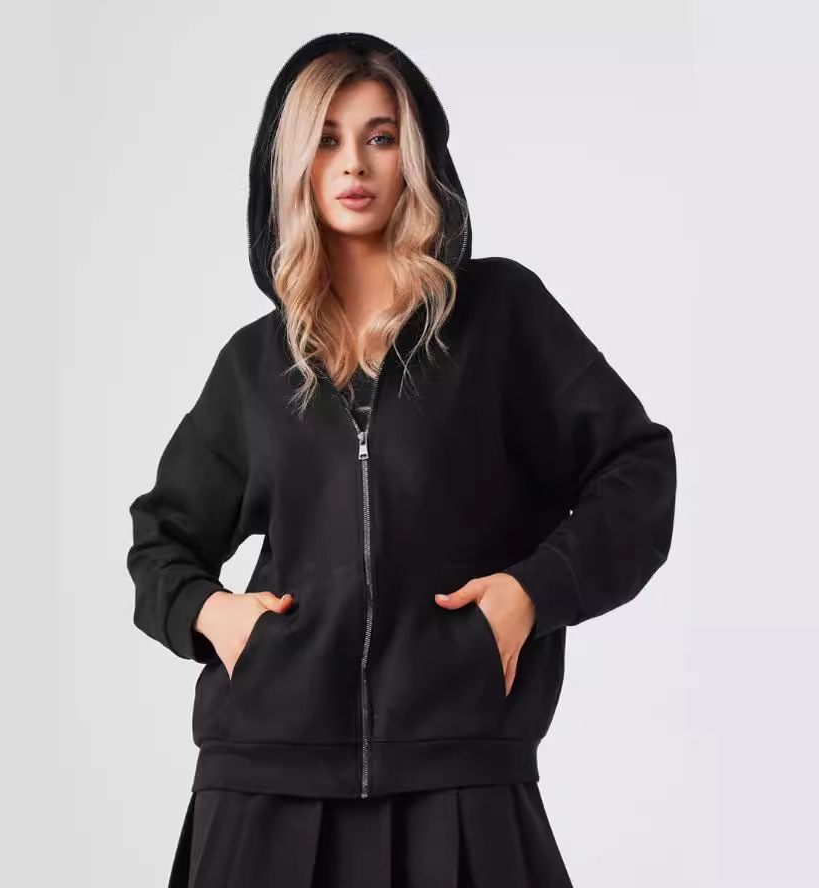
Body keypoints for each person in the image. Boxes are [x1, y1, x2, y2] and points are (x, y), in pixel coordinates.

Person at [126, 31, 677, 888]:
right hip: (265, 788)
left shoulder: (501, 316)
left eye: (380, 137)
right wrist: (213, 615)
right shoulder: (255, 364)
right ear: (293, 166)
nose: (355, 163)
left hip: (460, 776)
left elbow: (637, 470)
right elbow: (161, 537)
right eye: (327, 140)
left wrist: (532, 593)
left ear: (415, 156)